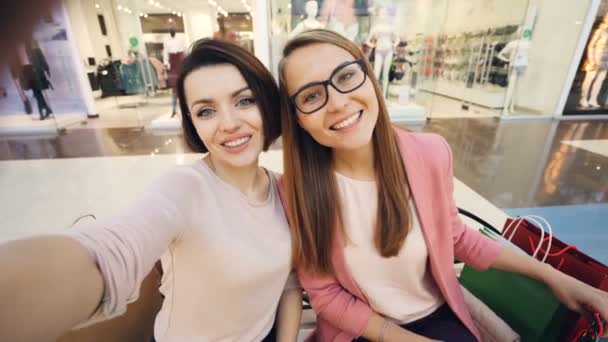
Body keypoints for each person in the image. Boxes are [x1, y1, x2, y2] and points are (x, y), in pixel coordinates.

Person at [277, 29, 608, 342]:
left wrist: (558, 278)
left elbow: (458, 237)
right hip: (358, 329)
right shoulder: (295, 191)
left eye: (346, 76)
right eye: (312, 96)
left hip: (433, 317)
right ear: (297, 118)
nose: (337, 102)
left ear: (369, 75)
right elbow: (326, 295)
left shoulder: (429, 154)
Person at [0, 39, 302, 342]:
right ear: (192, 123)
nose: (229, 123)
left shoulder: (284, 190)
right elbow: (112, 251)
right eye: (206, 111)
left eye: (244, 101)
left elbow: (288, 280)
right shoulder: (185, 189)